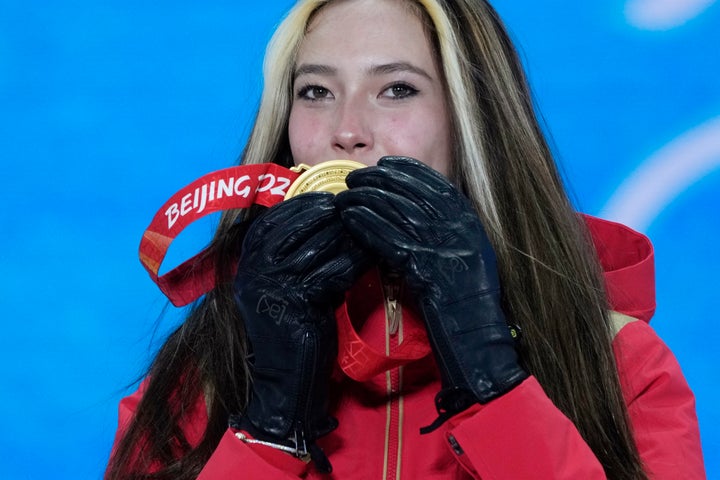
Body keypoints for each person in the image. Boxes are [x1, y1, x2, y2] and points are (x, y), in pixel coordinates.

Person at [105, 0, 706, 478]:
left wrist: (492, 381)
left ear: (472, 121)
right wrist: (268, 428)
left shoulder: (619, 360)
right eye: (315, 90)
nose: (346, 131)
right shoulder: (201, 368)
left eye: (397, 89)